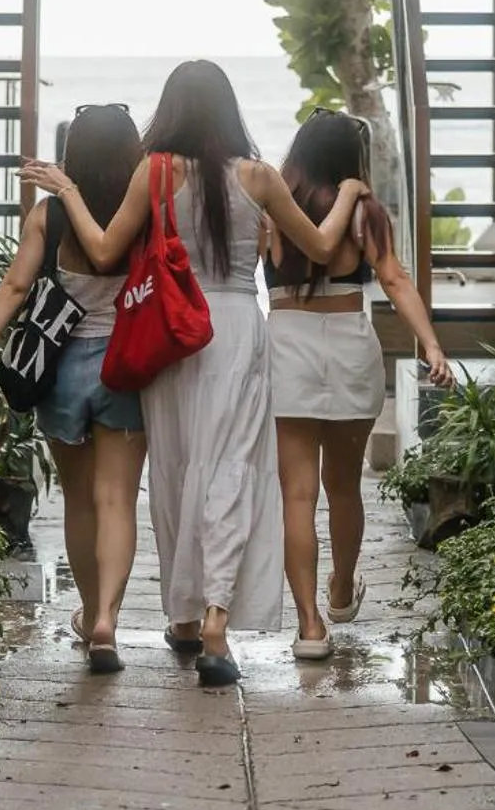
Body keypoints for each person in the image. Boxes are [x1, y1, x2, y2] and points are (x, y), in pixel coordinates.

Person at [21, 60, 366, 688]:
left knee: (177, 474)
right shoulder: (259, 177)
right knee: (231, 471)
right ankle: (212, 621)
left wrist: (67, 192)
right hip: (236, 333)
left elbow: (101, 252)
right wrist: (346, 193)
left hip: (172, 336)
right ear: (230, 111)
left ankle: (183, 619)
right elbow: (319, 248)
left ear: (171, 111)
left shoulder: (153, 173)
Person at [0, 104, 147, 674]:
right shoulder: (144, 213)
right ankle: (110, 618)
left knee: (79, 499)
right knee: (117, 499)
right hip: (126, 367)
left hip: (60, 369)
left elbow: (16, 287)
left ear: (74, 156)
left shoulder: (51, 215)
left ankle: (89, 613)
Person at [263, 108, 453, 662]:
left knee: (296, 493)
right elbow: (393, 277)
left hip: (287, 345)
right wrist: (432, 344)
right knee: (343, 486)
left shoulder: (275, 203)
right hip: (348, 343)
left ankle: (309, 626)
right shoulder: (364, 210)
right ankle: (342, 589)